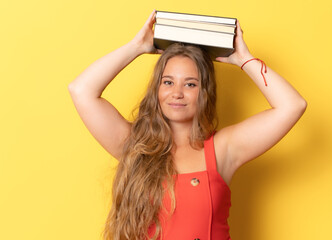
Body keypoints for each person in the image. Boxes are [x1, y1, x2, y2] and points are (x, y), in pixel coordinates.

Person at [68, 9, 307, 240]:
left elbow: (292, 105)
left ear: (205, 92)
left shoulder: (223, 148)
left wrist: (245, 59)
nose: (177, 93)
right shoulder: (134, 146)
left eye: (190, 84)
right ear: (157, 89)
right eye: (168, 82)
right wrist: (137, 47)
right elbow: (81, 90)